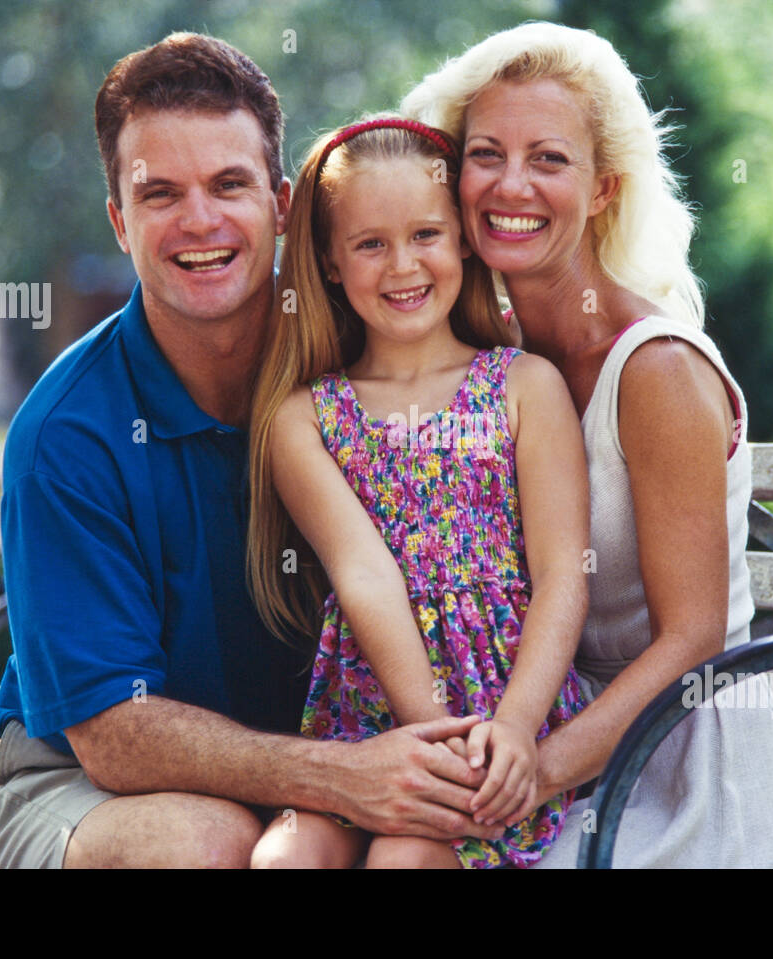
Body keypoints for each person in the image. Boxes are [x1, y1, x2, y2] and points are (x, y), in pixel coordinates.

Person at [0, 32, 507, 869]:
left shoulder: (363, 359)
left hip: (324, 763)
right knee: (208, 845)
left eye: (229, 184)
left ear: (282, 203)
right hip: (68, 782)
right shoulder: (68, 432)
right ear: (119, 220)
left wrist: (657, 367)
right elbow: (112, 734)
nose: (200, 220)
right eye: (161, 193)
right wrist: (342, 776)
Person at [403, 22, 773, 867]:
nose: (510, 184)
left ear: (602, 189)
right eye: (486, 154)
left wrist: (528, 775)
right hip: (560, 741)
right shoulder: (497, 360)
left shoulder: (657, 367)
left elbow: (694, 638)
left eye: (550, 160)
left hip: (684, 770)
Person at [245, 116, 591, 869]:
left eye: (426, 234)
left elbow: (565, 573)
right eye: (370, 244)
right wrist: (432, 732)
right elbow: (364, 576)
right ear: (332, 264)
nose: (403, 265)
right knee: (283, 860)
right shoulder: (303, 417)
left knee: (403, 860)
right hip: (367, 723)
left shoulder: (524, 386)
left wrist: (510, 729)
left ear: (464, 238)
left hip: (508, 715)